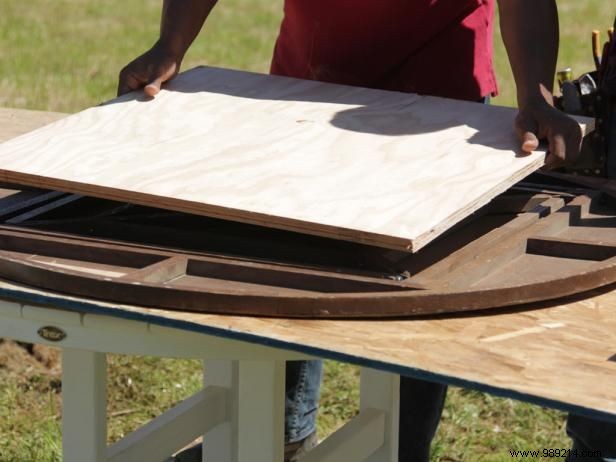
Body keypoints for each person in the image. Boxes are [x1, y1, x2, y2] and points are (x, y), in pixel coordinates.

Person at [118, 1, 583, 461]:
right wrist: (170, 44)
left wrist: (536, 98)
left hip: (436, 106)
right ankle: (281, 436)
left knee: (417, 289)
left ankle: (400, 449)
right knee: (285, 259)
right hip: (304, 86)